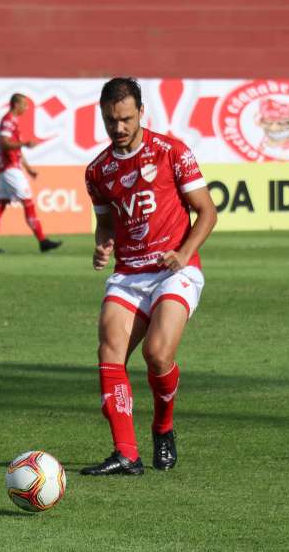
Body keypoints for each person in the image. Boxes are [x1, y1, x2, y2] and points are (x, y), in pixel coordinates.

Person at [80, 78, 217, 476]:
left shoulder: (172, 152)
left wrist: (183, 253)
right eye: (111, 121)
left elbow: (207, 212)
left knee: (157, 354)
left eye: (126, 119)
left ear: (141, 112)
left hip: (175, 271)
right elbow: (106, 225)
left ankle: (163, 426)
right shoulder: (98, 171)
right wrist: (102, 245)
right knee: (109, 351)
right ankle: (126, 454)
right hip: (129, 275)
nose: (119, 127)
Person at [0, 93, 61, 254]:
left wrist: (28, 168)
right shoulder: (8, 120)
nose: (26, 108)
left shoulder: (13, 121)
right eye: (24, 104)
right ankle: (42, 241)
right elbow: (4, 143)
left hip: (6, 169)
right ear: (16, 104)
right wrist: (25, 143)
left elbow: (15, 149)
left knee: (0, 205)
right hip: (10, 169)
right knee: (28, 203)